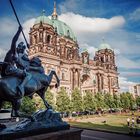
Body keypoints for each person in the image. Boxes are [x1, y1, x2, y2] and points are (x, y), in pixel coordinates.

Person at [2, 26, 30, 97]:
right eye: (22, 49)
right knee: (28, 75)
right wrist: (19, 31)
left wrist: (30, 49)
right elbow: (14, 40)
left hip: (5, 70)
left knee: (22, 73)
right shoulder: (13, 51)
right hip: (9, 69)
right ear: (19, 48)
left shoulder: (16, 54)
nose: (22, 51)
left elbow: (21, 64)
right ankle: (21, 87)